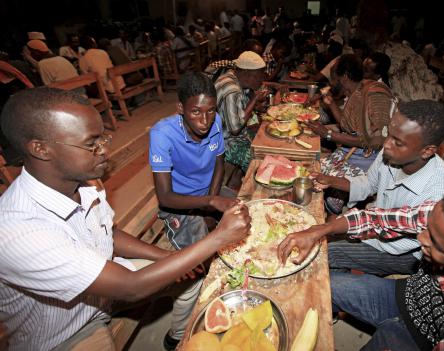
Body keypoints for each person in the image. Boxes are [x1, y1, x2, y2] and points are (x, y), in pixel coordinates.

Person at [0, 87, 251, 351]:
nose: (104, 152)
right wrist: (218, 237)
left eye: (102, 140)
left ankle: (177, 337)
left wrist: (162, 256)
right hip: (66, 334)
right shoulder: (18, 231)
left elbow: (108, 233)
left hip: (105, 291)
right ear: (41, 149)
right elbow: (131, 287)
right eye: (91, 144)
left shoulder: (87, 183)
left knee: (191, 279)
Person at [279, 181, 444, 350]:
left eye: (437, 244)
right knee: (321, 287)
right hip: (401, 295)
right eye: (428, 229)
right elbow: (379, 220)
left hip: (424, 340)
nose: (421, 239)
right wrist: (319, 230)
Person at [310, 99, 444, 274]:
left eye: (398, 142)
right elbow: (369, 184)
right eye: (389, 134)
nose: (386, 144)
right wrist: (331, 180)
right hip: (372, 225)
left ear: (426, 151)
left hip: (400, 252)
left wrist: (356, 231)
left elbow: (399, 242)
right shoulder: (393, 152)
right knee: (324, 243)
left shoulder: (438, 193)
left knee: (323, 254)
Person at [150, 72, 237, 252]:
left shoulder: (216, 122)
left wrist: (210, 206)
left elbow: (219, 164)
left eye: (211, 110)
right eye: (196, 111)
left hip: (209, 192)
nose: (205, 121)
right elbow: (165, 197)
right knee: (202, 253)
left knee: (247, 215)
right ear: (181, 108)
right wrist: (210, 203)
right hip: (180, 202)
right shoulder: (162, 134)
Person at [308, 54, 395, 214]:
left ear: (345, 77)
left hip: (370, 159)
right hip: (353, 153)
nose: (333, 83)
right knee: (313, 171)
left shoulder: (375, 95)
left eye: (335, 78)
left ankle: (332, 217)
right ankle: (324, 211)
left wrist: (329, 135)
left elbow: (376, 142)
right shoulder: (357, 91)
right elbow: (347, 127)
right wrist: (332, 104)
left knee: (326, 184)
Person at [214, 51, 268, 173]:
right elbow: (235, 129)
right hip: (224, 143)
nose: (260, 81)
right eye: (258, 77)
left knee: (266, 142)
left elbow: (238, 110)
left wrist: (255, 104)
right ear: (246, 72)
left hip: (234, 135)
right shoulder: (232, 89)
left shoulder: (232, 76)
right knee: (260, 163)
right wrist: (254, 100)